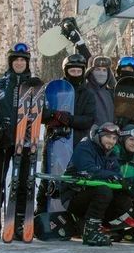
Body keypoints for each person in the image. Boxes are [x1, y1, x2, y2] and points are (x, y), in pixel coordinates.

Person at [0, 43, 42, 241]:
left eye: (22, 60)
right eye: (16, 60)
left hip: (25, 142)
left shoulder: (35, 86)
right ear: (10, 62)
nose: (19, 63)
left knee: (23, 182)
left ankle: (18, 224)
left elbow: (44, 111)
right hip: (2, 142)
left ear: (27, 63)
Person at [35, 54, 98, 215]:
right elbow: (39, 113)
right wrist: (54, 115)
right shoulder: (54, 90)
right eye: (72, 70)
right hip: (54, 142)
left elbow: (89, 119)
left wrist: (68, 119)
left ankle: (73, 216)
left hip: (77, 142)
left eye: (78, 71)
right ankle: (42, 213)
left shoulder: (88, 94)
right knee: (49, 177)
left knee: (74, 180)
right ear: (66, 71)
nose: (75, 73)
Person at [60, 122, 134, 246]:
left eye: (114, 139)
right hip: (73, 194)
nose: (111, 141)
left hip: (93, 196)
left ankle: (102, 225)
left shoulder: (111, 155)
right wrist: (110, 176)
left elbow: (117, 175)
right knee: (104, 190)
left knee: (125, 198)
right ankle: (91, 232)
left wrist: (131, 183)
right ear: (100, 136)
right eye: (108, 137)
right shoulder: (85, 147)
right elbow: (88, 170)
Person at [84, 56, 115, 126]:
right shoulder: (84, 91)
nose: (101, 73)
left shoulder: (109, 93)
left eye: (104, 70)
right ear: (90, 72)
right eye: (98, 69)